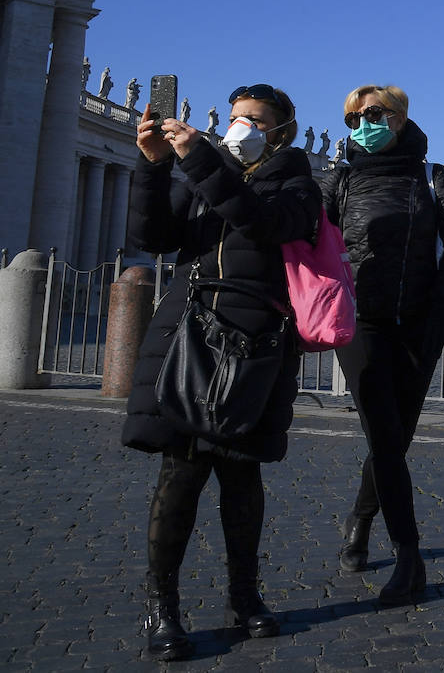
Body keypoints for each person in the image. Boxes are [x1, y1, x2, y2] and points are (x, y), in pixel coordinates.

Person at [121, 83, 319, 661]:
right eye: (234, 118)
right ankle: (163, 607)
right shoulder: (206, 179)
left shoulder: (300, 185)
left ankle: (244, 595)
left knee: (241, 478)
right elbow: (151, 238)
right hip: (189, 338)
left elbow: (258, 220)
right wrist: (154, 168)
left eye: (253, 120)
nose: (240, 128)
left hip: (255, 346)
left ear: (281, 131)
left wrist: (202, 159)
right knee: (179, 477)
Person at [322, 85, 444, 605]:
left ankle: (360, 519)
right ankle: (410, 556)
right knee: (385, 436)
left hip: (418, 324)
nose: (363, 123)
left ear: (402, 118)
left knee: (396, 437)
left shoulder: (431, 179)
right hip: (362, 325)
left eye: (374, 114)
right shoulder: (339, 180)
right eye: (353, 118)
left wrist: (439, 308)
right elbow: (313, 242)